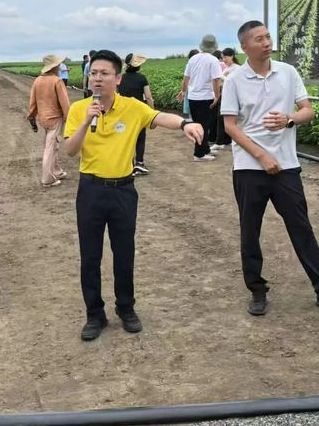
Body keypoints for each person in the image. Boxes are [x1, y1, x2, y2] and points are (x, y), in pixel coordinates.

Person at [221, 20, 319, 317]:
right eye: (259, 39)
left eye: (268, 37)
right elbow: (230, 126)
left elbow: (307, 110)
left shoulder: (288, 72)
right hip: (249, 167)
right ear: (244, 47)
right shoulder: (234, 79)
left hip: (286, 165)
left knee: (301, 227)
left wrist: (289, 120)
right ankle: (257, 290)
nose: (266, 43)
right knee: (250, 230)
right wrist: (261, 156)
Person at [64, 50, 204, 341]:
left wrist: (185, 124)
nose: (97, 78)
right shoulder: (79, 109)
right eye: (93, 73)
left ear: (117, 79)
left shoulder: (131, 107)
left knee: (124, 253)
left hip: (123, 191)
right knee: (90, 255)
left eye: (104, 73)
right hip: (90, 190)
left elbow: (159, 117)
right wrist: (85, 122)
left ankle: (126, 307)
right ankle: (94, 314)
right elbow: (70, 150)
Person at [28, 54, 71, 187]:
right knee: (51, 147)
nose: (59, 67)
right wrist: (68, 118)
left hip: (43, 118)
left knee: (53, 145)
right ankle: (47, 179)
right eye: (58, 65)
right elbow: (65, 103)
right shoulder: (57, 81)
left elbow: (33, 102)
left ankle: (56, 171)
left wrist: (32, 117)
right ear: (54, 67)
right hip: (55, 118)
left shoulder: (37, 81)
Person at [178, 35, 222, 162]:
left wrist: (183, 91)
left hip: (193, 97)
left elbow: (186, 77)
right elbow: (216, 80)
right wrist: (217, 96)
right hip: (206, 97)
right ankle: (199, 154)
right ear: (214, 47)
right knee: (203, 126)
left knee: (198, 123)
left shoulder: (193, 59)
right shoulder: (213, 60)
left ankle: (205, 149)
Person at [118, 53, 154, 176]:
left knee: (127, 137)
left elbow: (116, 95)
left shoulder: (120, 78)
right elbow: (148, 97)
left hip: (124, 112)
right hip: (139, 112)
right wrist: (152, 113)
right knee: (140, 137)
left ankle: (128, 164)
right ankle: (139, 163)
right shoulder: (142, 78)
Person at [210, 48, 241, 153]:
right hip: (224, 94)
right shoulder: (227, 68)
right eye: (222, 58)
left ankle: (221, 142)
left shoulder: (237, 68)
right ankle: (225, 141)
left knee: (225, 118)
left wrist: (222, 78)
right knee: (221, 118)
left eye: (225, 57)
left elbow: (235, 82)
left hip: (232, 96)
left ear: (232, 56)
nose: (223, 60)